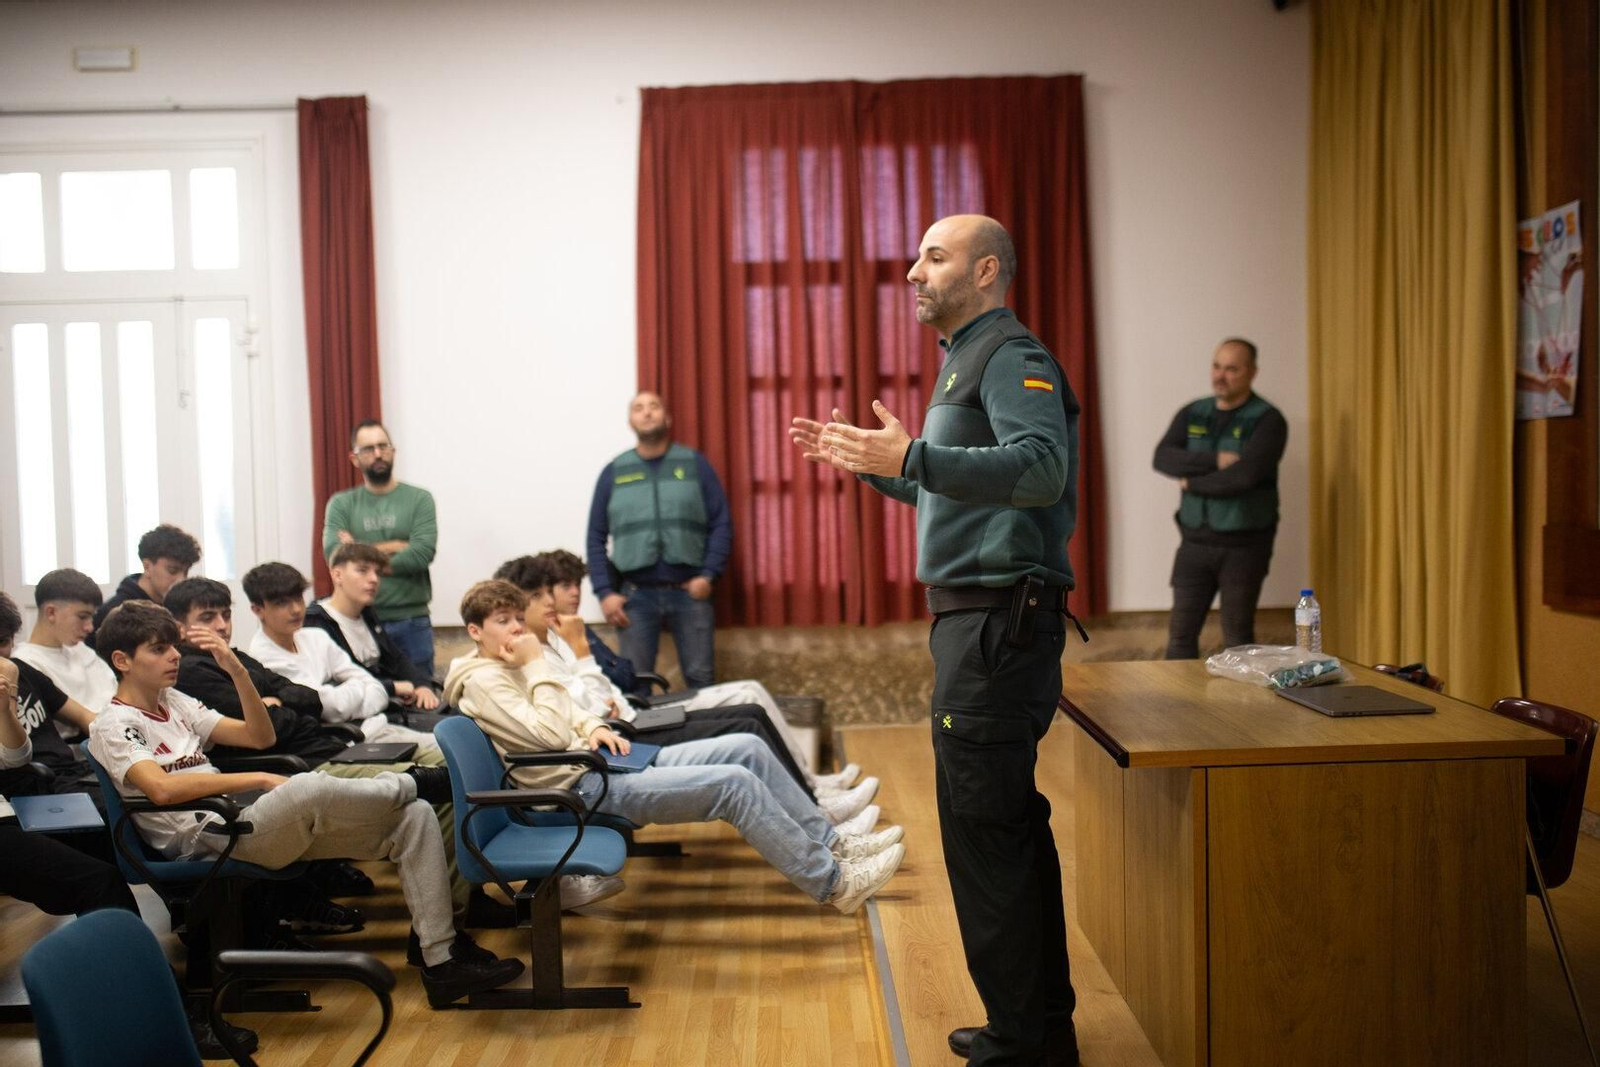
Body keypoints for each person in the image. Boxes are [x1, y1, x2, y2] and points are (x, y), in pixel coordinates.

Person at [791, 214, 1081, 1065]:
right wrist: (883, 466)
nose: (912, 270)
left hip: (998, 623)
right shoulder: (964, 357)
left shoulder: (1009, 356)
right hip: (977, 619)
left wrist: (912, 456)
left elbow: (1040, 469)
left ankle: (1023, 1041)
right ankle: (1038, 1026)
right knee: (1002, 829)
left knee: (986, 833)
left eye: (935, 255)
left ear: (987, 270)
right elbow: (955, 491)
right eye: (917, 256)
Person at [86, 601, 523, 1008]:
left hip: (240, 819)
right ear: (122, 660)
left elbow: (260, 737)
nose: (173, 657)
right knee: (305, 786)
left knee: (415, 818)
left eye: (173, 647)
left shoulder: (174, 703)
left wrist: (238, 672)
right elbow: (159, 790)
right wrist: (257, 777)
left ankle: (441, 959)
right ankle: (411, 782)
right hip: (205, 837)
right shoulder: (114, 724)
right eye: (158, 650)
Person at [443, 580, 905, 916]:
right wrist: (538, 664)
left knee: (746, 747)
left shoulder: (513, 667)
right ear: (475, 631)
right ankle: (835, 883)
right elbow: (544, 735)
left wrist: (589, 724)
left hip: (601, 760)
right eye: (503, 622)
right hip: (577, 786)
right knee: (734, 785)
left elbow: (567, 714)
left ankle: (832, 842)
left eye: (519, 620)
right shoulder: (487, 681)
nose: (518, 631)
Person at [503, 552, 875, 816]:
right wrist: (586, 657)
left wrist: (602, 689)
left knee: (750, 705)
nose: (553, 600)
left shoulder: (557, 638)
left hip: (631, 716)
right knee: (747, 717)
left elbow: (611, 687)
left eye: (550, 591)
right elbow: (596, 703)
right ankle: (815, 802)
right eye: (539, 595)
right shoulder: (541, 651)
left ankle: (813, 792)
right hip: (626, 734)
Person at [1151, 338, 1288, 659]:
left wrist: (1190, 482)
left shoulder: (1268, 420)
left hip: (1244, 547)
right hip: (1193, 543)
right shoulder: (1192, 412)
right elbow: (1163, 458)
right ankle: (1180, 707)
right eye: (1216, 366)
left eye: (1231, 368)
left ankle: (1237, 710)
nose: (1220, 375)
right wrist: (1215, 460)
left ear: (1252, 373)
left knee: (1238, 638)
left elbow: (1243, 478)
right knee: (1180, 636)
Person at [585, 392, 732, 690]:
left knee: (701, 680)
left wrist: (708, 575)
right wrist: (604, 592)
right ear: (630, 422)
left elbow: (721, 523)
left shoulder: (694, 464)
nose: (647, 412)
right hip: (634, 597)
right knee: (636, 684)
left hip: (690, 593)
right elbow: (595, 536)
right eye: (639, 408)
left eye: (654, 407)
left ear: (667, 418)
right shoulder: (614, 471)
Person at [242, 563, 437, 753]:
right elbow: (328, 707)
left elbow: (375, 688)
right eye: (282, 603)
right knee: (452, 751)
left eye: (298, 599)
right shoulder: (263, 658)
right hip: (343, 743)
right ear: (257, 609)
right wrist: (354, 690)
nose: (295, 609)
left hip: (376, 726)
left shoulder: (314, 636)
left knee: (454, 741)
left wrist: (340, 692)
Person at [322, 420, 439, 677]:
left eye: (382, 446)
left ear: (393, 451)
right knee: (367, 698)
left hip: (411, 621)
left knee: (423, 699)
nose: (377, 453)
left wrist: (357, 550)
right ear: (354, 458)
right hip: (357, 620)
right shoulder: (342, 503)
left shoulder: (419, 499)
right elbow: (335, 554)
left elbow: (421, 553)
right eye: (368, 448)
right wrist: (395, 546)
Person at [304, 542, 444, 717]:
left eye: (377, 572)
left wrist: (422, 684)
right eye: (363, 570)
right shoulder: (316, 622)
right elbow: (337, 683)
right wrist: (392, 687)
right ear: (337, 575)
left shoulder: (367, 613)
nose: (374, 579)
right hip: (358, 717)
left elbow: (396, 659)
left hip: (387, 705)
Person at [12, 568, 117, 717]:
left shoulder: (81, 650)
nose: (90, 627)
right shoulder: (26, 663)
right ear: (51, 613)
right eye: (82, 617)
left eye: (91, 617)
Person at [92, 523, 203, 634]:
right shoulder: (113, 613)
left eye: (186, 572)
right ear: (147, 566)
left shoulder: (181, 609)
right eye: (172, 570)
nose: (181, 579)